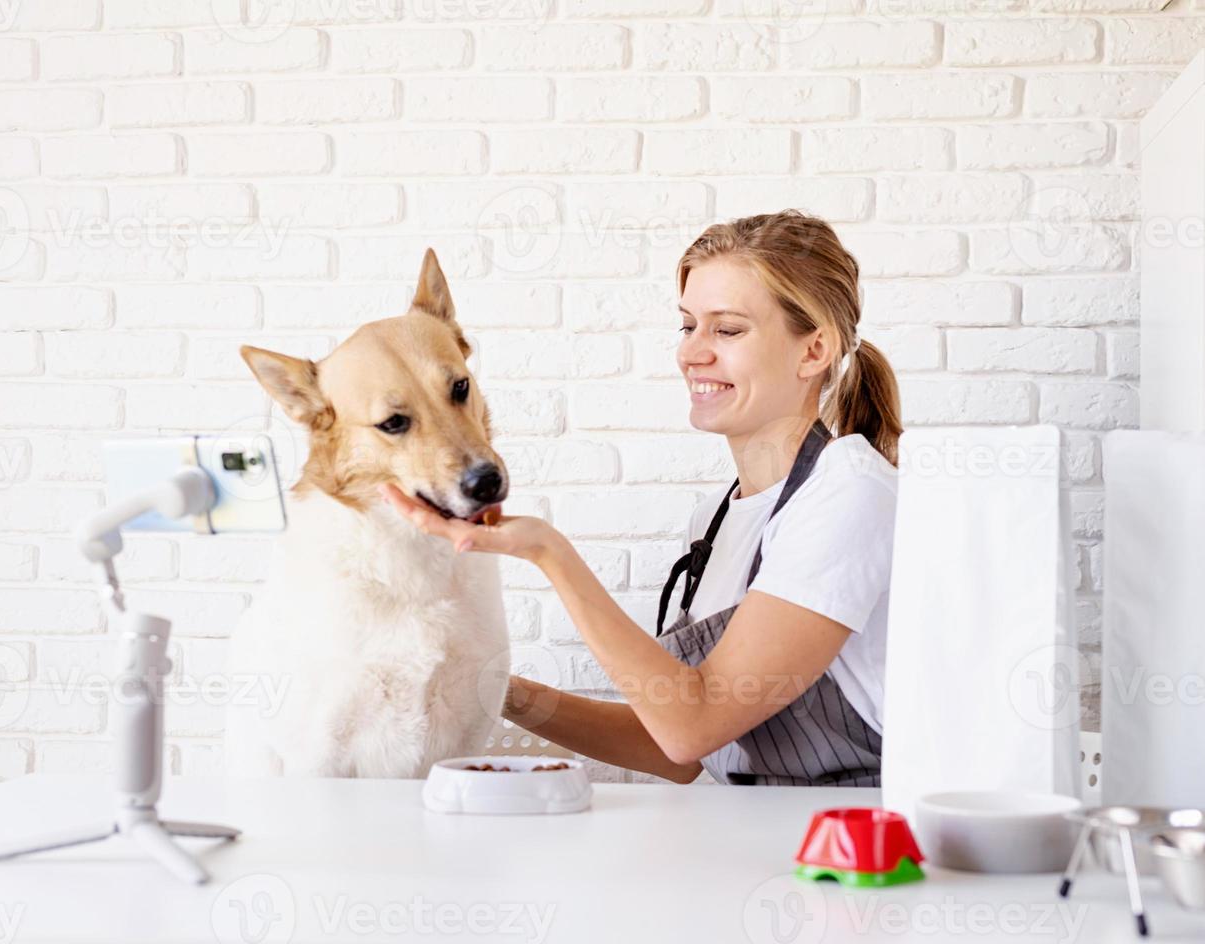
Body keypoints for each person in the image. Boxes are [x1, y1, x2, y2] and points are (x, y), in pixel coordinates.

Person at [381, 210, 902, 787]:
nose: (691, 353)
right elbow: (670, 751)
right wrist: (485, 685)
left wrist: (549, 552)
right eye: (688, 327)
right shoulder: (718, 521)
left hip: (858, 852)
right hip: (761, 840)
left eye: (727, 330)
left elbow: (694, 726)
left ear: (813, 352)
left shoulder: (846, 494)